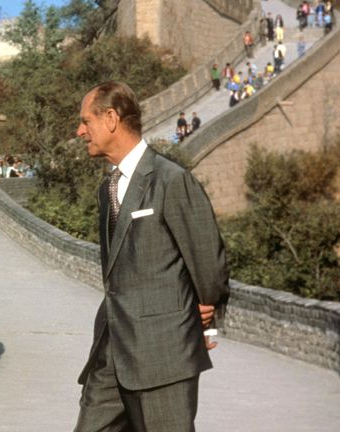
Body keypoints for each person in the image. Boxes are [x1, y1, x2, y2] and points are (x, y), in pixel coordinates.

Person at [74, 81, 229, 432]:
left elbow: (207, 259)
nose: (80, 130)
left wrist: (206, 318)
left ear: (111, 118)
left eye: (86, 121)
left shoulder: (170, 180)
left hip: (163, 354)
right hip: (111, 350)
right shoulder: (107, 189)